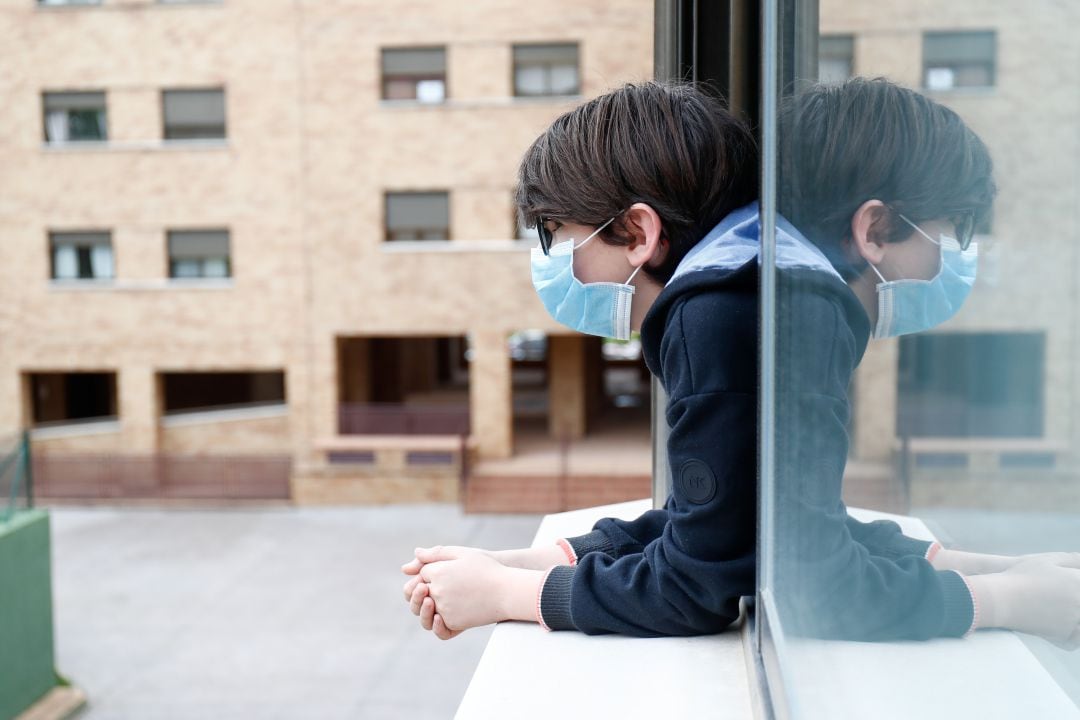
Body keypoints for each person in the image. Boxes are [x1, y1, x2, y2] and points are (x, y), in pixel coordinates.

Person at [401, 78, 1080, 649]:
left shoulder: (731, 313)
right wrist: (534, 560)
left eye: (559, 239)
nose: (553, 264)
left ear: (638, 233)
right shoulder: (761, 302)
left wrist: (508, 595)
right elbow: (740, 526)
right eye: (953, 232)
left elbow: (745, 588)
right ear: (871, 228)